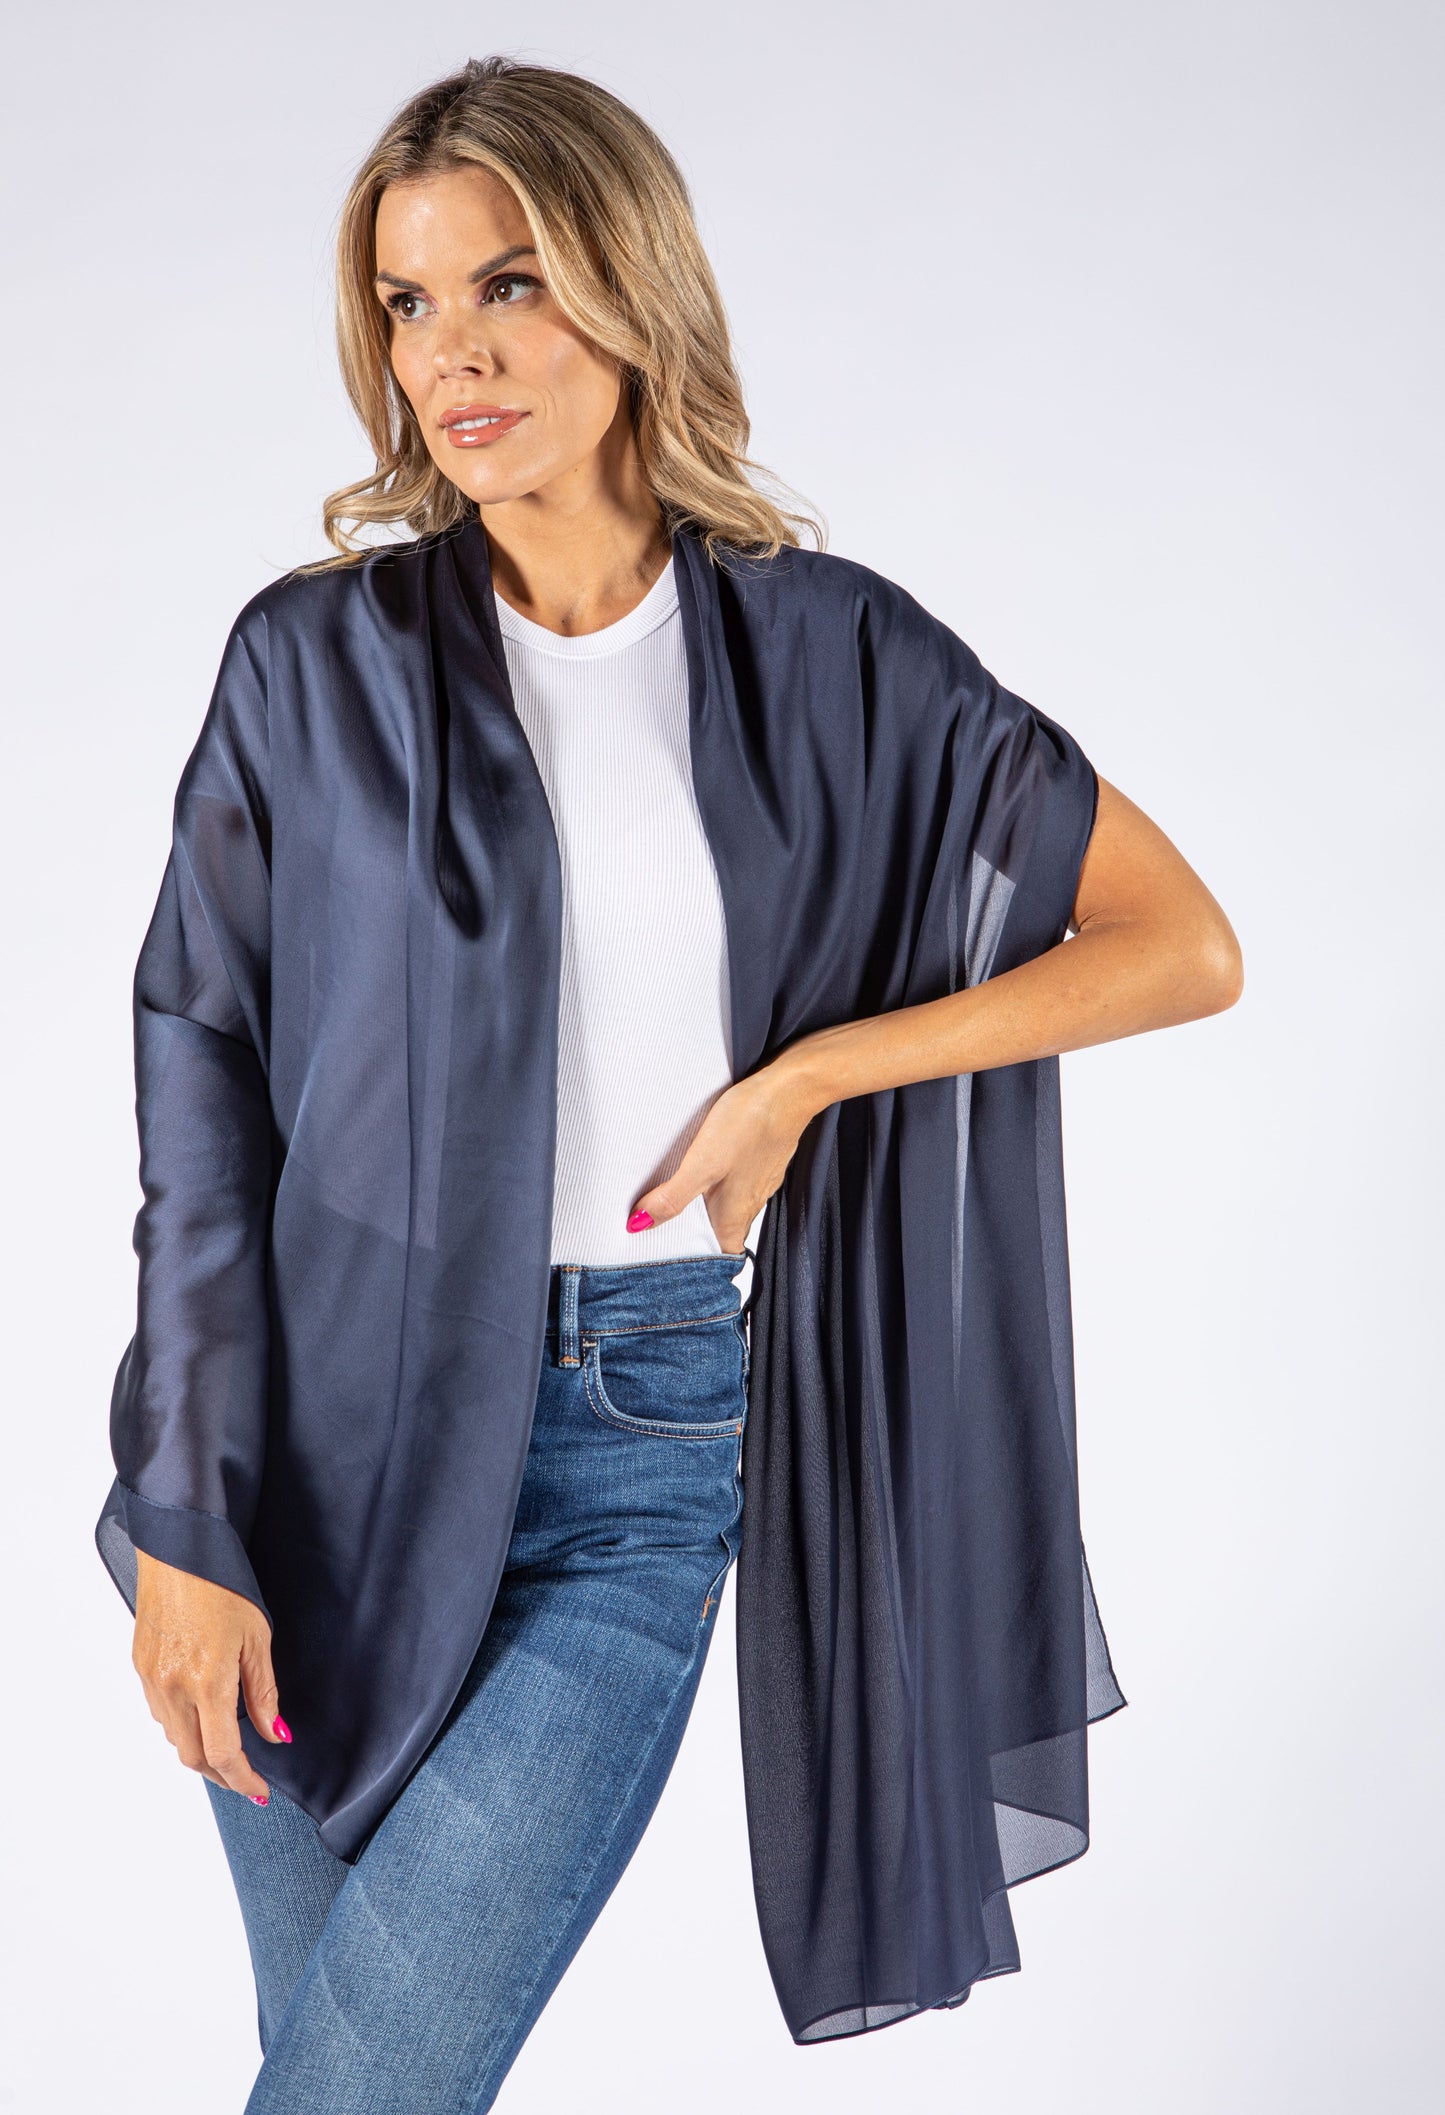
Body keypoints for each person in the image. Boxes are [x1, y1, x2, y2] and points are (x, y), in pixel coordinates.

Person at [100, 54, 1243, 2114]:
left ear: (630, 289)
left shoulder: (838, 658)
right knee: (356, 2086)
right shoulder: (309, 664)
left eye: (510, 283)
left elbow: (1179, 943)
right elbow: (199, 1078)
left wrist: (809, 1077)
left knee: (367, 2080)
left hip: (639, 1446)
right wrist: (186, 1511)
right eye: (409, 303)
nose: (452, 352)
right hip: (307, 1455)